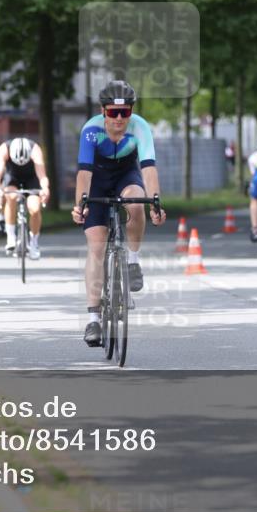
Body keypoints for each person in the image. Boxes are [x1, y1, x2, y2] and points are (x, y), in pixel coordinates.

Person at [72, 80, 165, 347]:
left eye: (125, 112)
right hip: (98, 179)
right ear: (103, 111)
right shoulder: (91, 131)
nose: (120, 118)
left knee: (136, 202)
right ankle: (93, 319)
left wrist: (155, 203)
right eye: (114, 112)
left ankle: (133, 260)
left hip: (127, 175)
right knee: (97, 246)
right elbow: (84, 173)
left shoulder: (140, 127)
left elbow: (148, 167)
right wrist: (81, 205)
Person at [0, 136, 50, 259]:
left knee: (34, 209)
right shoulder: (4, 149)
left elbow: (42, 176)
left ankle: (34, 242)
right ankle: (11, 236)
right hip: (12, 178)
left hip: (31, 178)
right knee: (11, 197)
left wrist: (45, 188)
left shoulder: (35, 149)